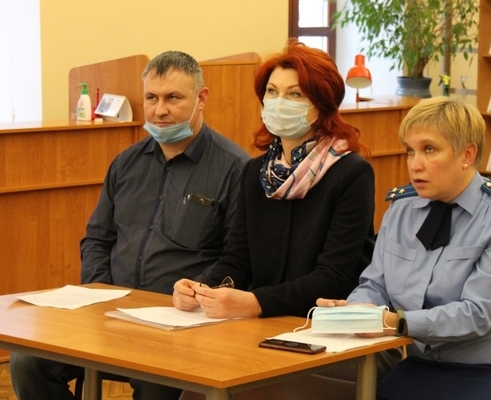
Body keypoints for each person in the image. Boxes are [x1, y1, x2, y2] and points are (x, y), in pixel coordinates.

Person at [9, 50, 250, 400]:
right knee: (27, 363)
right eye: (151, 98)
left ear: (202, 98)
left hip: (180, 323)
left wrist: (195, 294)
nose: (159, 110)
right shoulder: (125, 163)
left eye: (173, 98)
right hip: (109, 314)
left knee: (156, 381)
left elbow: (237, 258)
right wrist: (99, 293)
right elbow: (97, 239)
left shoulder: (235, 168)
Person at [173, 39, 378, 399]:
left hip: (324, 332)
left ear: (321, 104)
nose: (279, 102)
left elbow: (334, 277)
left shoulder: (351, 173)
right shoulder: (255, 172)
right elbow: (237, 259)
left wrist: (255, 302)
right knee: (200, 384)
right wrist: (202, 288)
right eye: (272, 92)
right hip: (261, 327)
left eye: (295, 94)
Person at [318, 96, 491, 400]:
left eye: (429, 149)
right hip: (425, 363)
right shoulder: (401, 209)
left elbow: (478, 314)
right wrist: (356, 311)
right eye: (410, 151)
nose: (415, 164)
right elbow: (376, 285)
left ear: (467, 154)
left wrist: (393, 322)